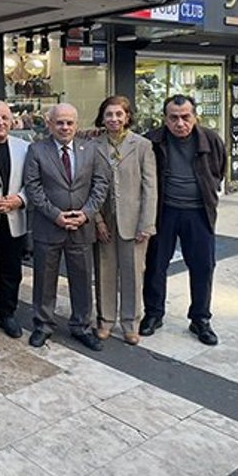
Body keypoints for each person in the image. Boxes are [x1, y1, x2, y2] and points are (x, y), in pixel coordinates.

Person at [140, 94, 227, 346]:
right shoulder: (152, 140)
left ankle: (200, 318)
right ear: (165, 119)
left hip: (199, 212)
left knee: (203, 266)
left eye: (185, 117)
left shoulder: (210, 139)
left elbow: (219, 169)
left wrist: (209, 190)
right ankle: (154, 313)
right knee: (156, 264)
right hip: (164, 211)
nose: (180, 123)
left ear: (195, 117)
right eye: (174, 118)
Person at [23, 103, 109, 351]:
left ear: (76, 124)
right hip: (49, 226)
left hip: (82, 226)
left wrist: (86, 213)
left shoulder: (91, 149)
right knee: (44, 280)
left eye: (69, 122)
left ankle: (82, 326)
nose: (65, 127)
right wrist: (55, 215)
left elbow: (101, 184)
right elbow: (33, 187)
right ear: (49, 124)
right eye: (59, 122)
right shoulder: (36, 150)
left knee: (82, 280)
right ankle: (43, 326)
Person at [90, 96, 157, 345]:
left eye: (119, 114)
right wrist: (97, 221)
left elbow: (150, 187)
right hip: (105, 221)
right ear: (102, 117)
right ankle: (105, 320)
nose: (114, 119)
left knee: (133, 274)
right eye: (109, 114)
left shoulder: (142, 145)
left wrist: (147, 224)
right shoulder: (93, 145)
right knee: (105, 272)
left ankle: (130, 323)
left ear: (127, 116)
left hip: (134, 221)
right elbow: (88, 186)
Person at [0, 100, 30, 339]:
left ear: (11, 121)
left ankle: (7, 314)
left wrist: (20, 199)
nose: (0, 122)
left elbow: (33, 181)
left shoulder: (24, 147)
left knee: (11, 273)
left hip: (13, 219)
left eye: (4, 118)